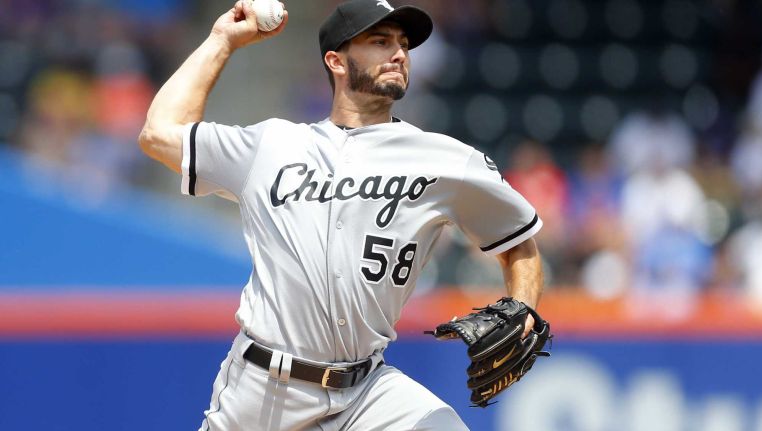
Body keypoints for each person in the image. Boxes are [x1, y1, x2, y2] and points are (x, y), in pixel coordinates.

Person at [138, 0, 545, 429]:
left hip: (367, 392)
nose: (399, 54)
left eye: (403, 44)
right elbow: (159, 134)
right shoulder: (272, 146)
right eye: (379, 41)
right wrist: (222, 40)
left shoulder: (445, 159)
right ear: (335, 60)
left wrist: (524, 305)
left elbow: (520, 244)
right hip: (263, 390)